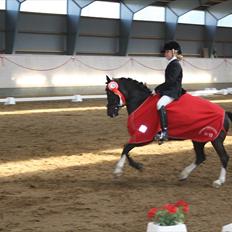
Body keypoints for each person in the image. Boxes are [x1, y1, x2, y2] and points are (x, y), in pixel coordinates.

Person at [154, 41, 186, 143]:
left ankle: (165, 131)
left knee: (160, 104)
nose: (165, 54)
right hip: (169, 89)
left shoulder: (175, 64)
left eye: (167, 52)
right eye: (165, 52)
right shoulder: (172, 63)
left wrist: (157, 89)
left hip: (173, 91)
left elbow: (170, 81)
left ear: (173, 52)